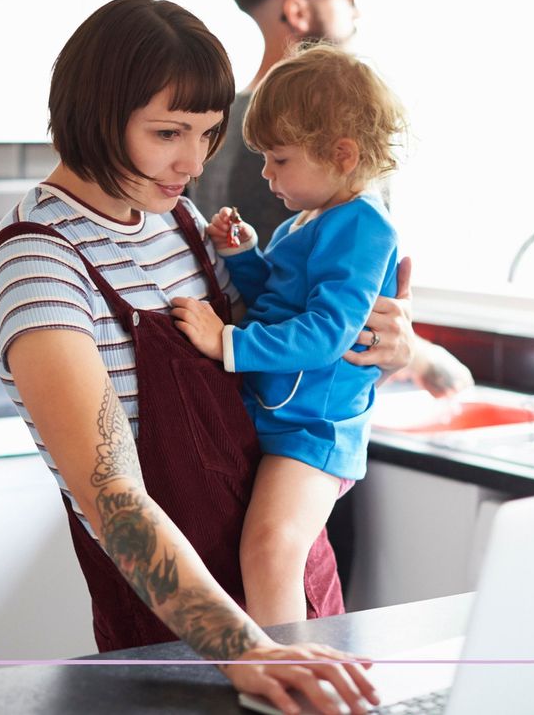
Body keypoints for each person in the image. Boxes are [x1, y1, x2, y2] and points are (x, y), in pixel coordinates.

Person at [0, 0, 419, 715]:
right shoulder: (39, 266)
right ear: (94, 116)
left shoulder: (172, 217)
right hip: (186, 649)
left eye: (209, 133)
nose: (193, 161)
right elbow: (114, 502)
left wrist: (387, 344)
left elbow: (280, 347)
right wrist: (251, 650)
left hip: (295, 599)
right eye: (167, 132)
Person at [171, 43, 403, 627]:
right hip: (284, 418)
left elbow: (328, 332)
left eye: (278, 160)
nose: (267, 175)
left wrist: (227, 342)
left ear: (342, 154)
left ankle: (282, 675)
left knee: (272, 548)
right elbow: (279, 298)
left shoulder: (363, 225)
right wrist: (244, 255)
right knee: (265, 551)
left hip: (312, 431)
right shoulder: (312, 218)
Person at [190, 0, 472, 397]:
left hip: (254, 388)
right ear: (299, 10)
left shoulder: (216, 125)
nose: (356, 11)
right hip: (297, 396)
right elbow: (303, 302)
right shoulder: (304, 146)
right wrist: (415, 355)